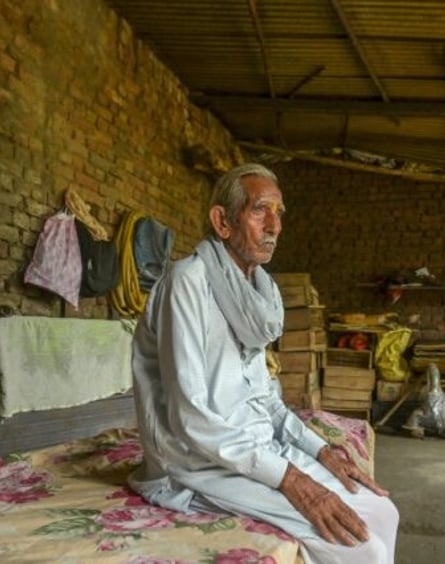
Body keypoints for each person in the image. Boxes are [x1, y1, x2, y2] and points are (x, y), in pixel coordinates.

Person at [128, 163, 399, 563]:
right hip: (195, 464)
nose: (275, 226)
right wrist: (291, 479)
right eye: (260, 210)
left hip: (254, 451)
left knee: (382, 512)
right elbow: (191, 417)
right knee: (363, 549)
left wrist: (320, 450)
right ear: (222, 221)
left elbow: (266, 401)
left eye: (279, 212)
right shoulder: (187, 282)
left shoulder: (258, 292)